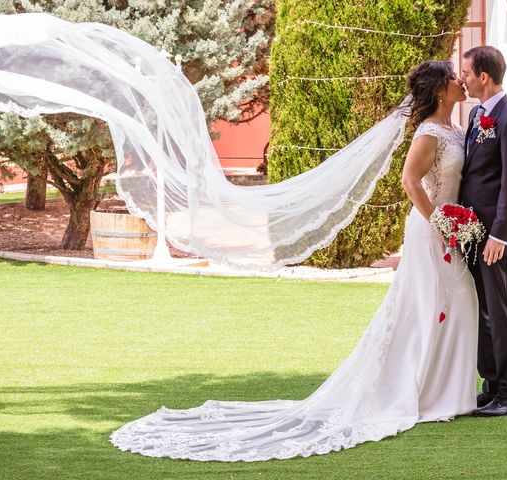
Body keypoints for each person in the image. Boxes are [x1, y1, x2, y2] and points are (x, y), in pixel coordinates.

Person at [110, 60, 480, 462]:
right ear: (440, 90)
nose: (460, 82)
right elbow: (411, 181)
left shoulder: (455, 129)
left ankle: (444, 392)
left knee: (453, 305)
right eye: (453, 79)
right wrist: (440, 220)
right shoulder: (428, 133)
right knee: (434, 306)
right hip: (431, 232)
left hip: (449, 229)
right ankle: (426, 394)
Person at [460, 46, 507, 417]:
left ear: (483, 76)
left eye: (467, 73)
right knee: (484, 312)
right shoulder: (477, 115)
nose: (463, 79)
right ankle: (492, 385)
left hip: (495, 238)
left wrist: (499, 237)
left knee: (503, 313)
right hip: (472, 232)